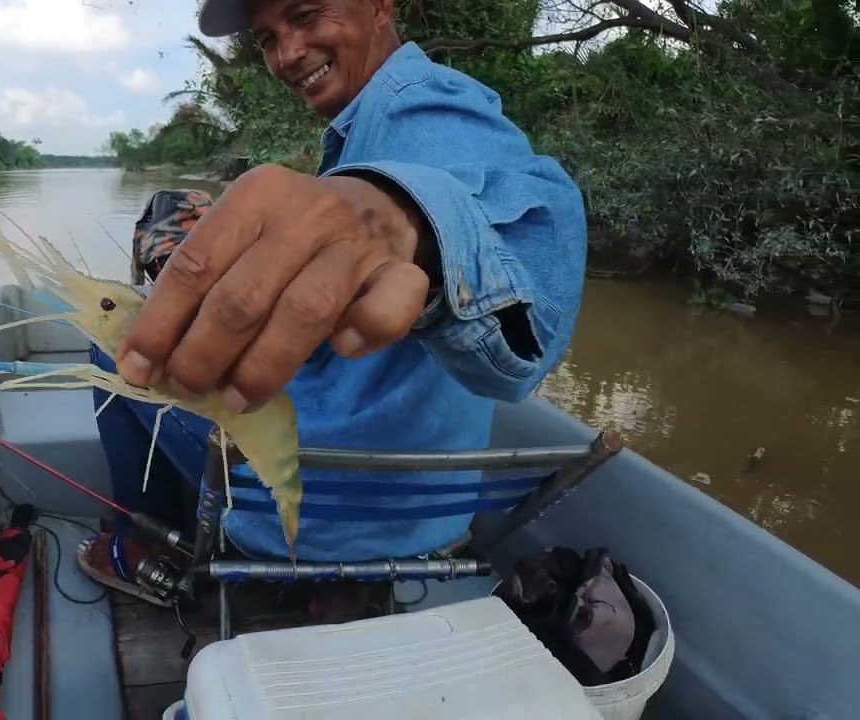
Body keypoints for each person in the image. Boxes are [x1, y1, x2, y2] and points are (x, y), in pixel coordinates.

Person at [77, 0, 588, 611]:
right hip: (430, 523)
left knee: (112, 344)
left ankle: (143, 545)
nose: (287, 53)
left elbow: (530, 299)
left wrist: (411, 222)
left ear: (378, 6)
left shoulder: (421, 106)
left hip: (308, 512)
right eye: (268, 38)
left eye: (306, 14)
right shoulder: (363, 128)